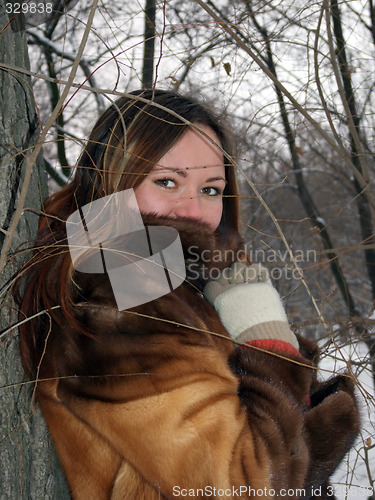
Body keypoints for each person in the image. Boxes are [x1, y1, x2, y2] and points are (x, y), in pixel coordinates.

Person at [16, 89, 359, 499]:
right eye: (167, 181)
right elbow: (244, 486)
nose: (194, 211)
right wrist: (267, 345)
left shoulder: (169, 281)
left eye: (211, 189)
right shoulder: (117, 287)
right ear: (114, 178)